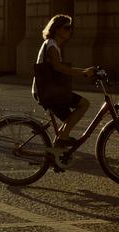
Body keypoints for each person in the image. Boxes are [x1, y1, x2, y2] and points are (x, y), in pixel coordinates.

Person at [32, 14, 94, 146]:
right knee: (84, 104)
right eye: (67, 27)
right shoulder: (52, 46)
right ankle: (63, 137)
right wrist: (83, 72)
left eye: (70, 28)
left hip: (48, 89)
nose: (70, 31)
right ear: (57, 29)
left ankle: (59, 146)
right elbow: (58, 67)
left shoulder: (52, 44)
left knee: (69, 118)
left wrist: (84, 70)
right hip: (47, 91)